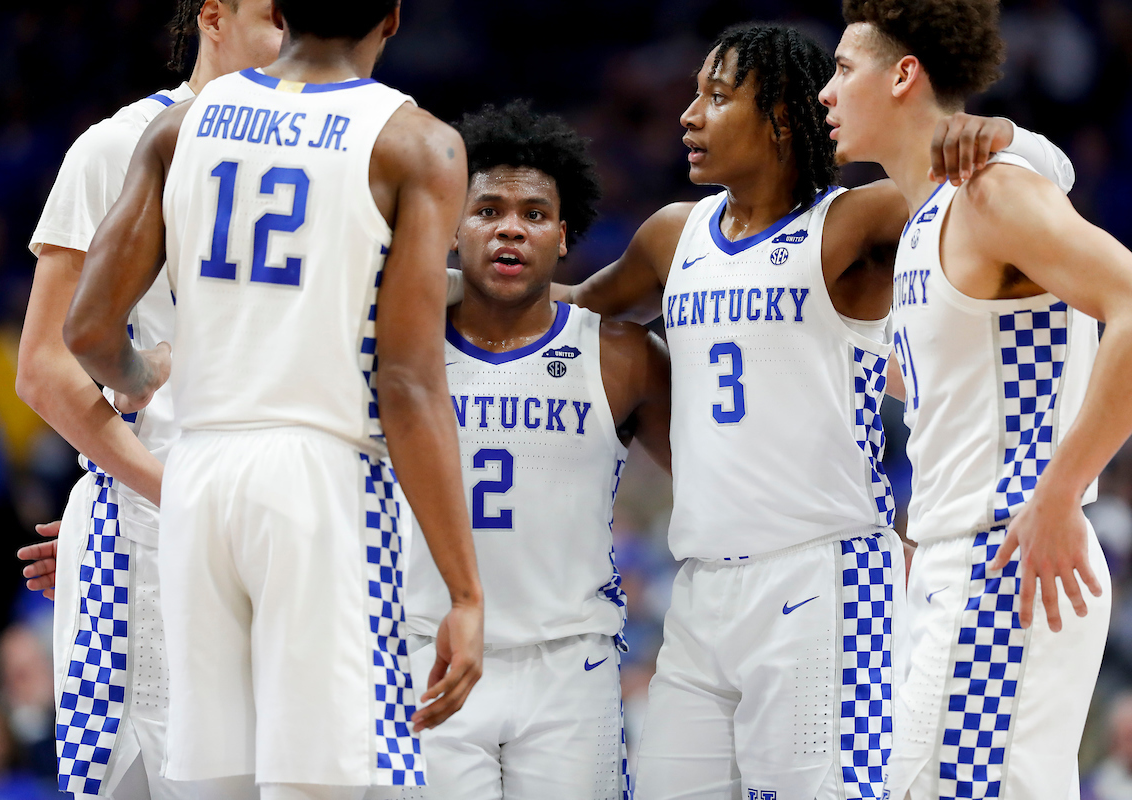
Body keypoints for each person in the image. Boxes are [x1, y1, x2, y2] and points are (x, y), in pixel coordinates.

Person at [547, 23, 1074, 800]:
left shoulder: (851, 223)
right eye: (694, 94)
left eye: (717, 98)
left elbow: (1026, 181)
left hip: (823, 580)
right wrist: (436, 286)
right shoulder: (673, 234)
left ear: (783, 120)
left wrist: (1006, 136)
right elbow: (564, 318)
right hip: (701, 591)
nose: (689, 115)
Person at [61, 2, 485, 800]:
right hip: (319, 475)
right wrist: (464, 589)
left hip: (198, 472)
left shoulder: (184, 125)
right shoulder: (415, 141)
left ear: (284, 10)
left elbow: (86, 331)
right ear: (392, 19)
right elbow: (408, 380)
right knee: (323, 783)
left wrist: (143, 375)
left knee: (212, 780)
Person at [819, 1, 1132, 797]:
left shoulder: (989, 192)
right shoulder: (927, 221)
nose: (826, 91)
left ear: (903, 76)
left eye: (843, 69)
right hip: (956, 567)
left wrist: (1059, 492)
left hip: (1009, 563)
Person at [15, 2, 283, 797]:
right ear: (214, 19)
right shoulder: (113, 147)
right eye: (274, 16)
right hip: (151, 531)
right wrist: (169, 496)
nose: (293, 38)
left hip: (284, 520)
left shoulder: (340, 156)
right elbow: (44, 366)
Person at [370, 101, 669, 800]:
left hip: (569, 668)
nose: (510, 225)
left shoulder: (620, 355)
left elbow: (719, 477)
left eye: (535, 213)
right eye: (488, 210)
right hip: (424, 652)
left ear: (564, 237)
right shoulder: (393, 348)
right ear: (450, 228)